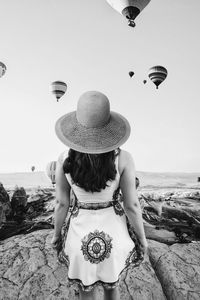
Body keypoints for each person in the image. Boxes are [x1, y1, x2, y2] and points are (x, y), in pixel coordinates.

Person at [51, 91, 148, 300]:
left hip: (78, 236)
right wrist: (142, 239)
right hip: (115, 234)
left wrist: (56, 235)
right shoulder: (124, 158)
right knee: (112, 288)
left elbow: (61, 203)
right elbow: (132, 205)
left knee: (85, 290)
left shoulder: (62, 159)